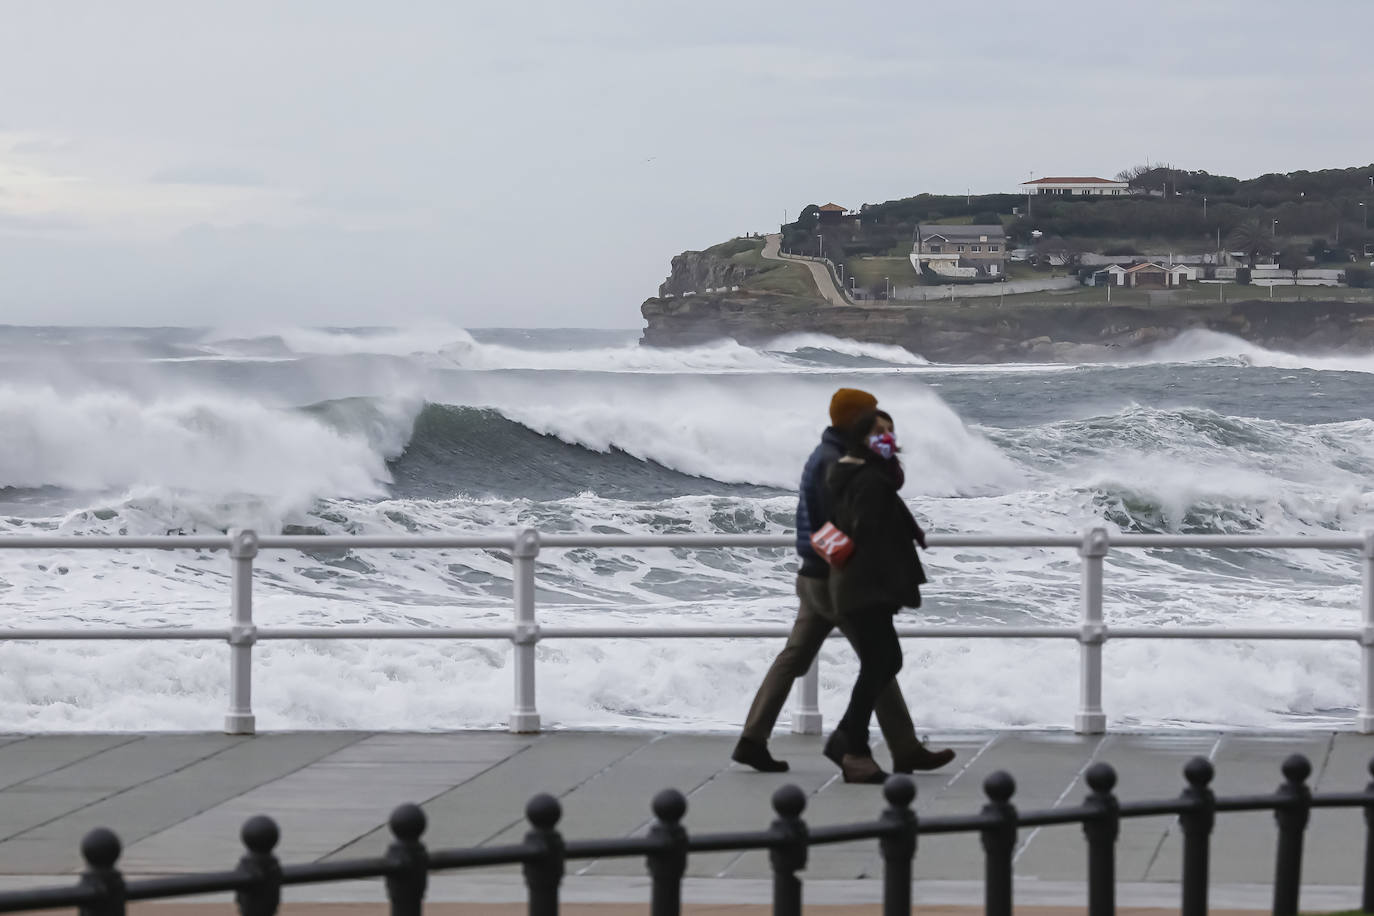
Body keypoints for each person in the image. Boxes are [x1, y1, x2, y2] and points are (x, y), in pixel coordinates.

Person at [731, 389, 954, 778]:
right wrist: (850, 571)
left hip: (816, 574)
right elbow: (830, 523)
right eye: (870, 417)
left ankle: (752, 740)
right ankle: (875, 749)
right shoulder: (835, 460)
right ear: (855, 421)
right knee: (878, 660)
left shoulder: (830, 453)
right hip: (832, 578)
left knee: (798, 658)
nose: (878, 426)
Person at [823, 408, 944, 783]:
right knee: (882, 661)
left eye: (891, 430)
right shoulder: (870, 480)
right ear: (861, 437)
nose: (887, 437)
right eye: (879, 431)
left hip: (859, 585)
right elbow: (866, 531)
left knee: (884, 661)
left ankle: (848, 739)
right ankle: (851, 745)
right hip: (865, 587)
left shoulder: (863, 473)